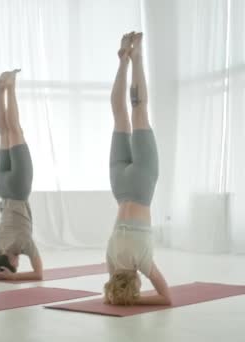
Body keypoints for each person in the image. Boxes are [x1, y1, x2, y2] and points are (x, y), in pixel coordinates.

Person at [104, 32, 172, 306]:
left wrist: (136, 301)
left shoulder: (143, 262)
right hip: (120, 186)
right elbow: (111, 293)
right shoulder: (111, 258)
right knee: (120, 114)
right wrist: (117, 297)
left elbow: (165, 298)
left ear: (136, 283)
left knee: (139, 110)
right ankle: (122, 61)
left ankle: (137, 57)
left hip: (142, 186)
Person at [0, 69, 43, 281]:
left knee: (15, 130)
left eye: (16, 266)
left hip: (18, 189)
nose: (19, 264)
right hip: (3, 188)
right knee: (4, 134)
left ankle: (10, 87)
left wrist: (12, 278)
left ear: (10, 264)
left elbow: (39, 274)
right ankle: (1, 90)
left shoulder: (23, 243)